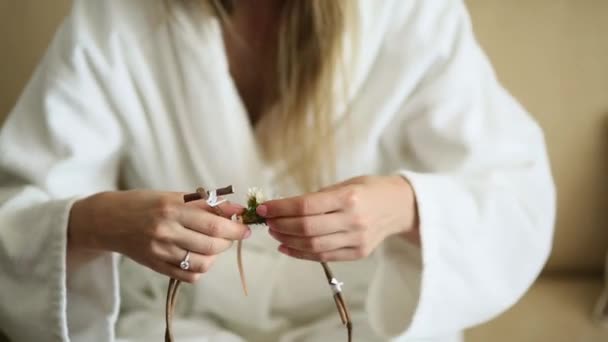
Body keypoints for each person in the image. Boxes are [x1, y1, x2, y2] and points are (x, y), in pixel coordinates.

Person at [0, 0, 556, 341]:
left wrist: (405, 206)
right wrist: (98, 221)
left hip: (363, 318)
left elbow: (512, 192)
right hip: (179, 318)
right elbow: (21, 201)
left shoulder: (411, 12)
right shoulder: (116, 13)